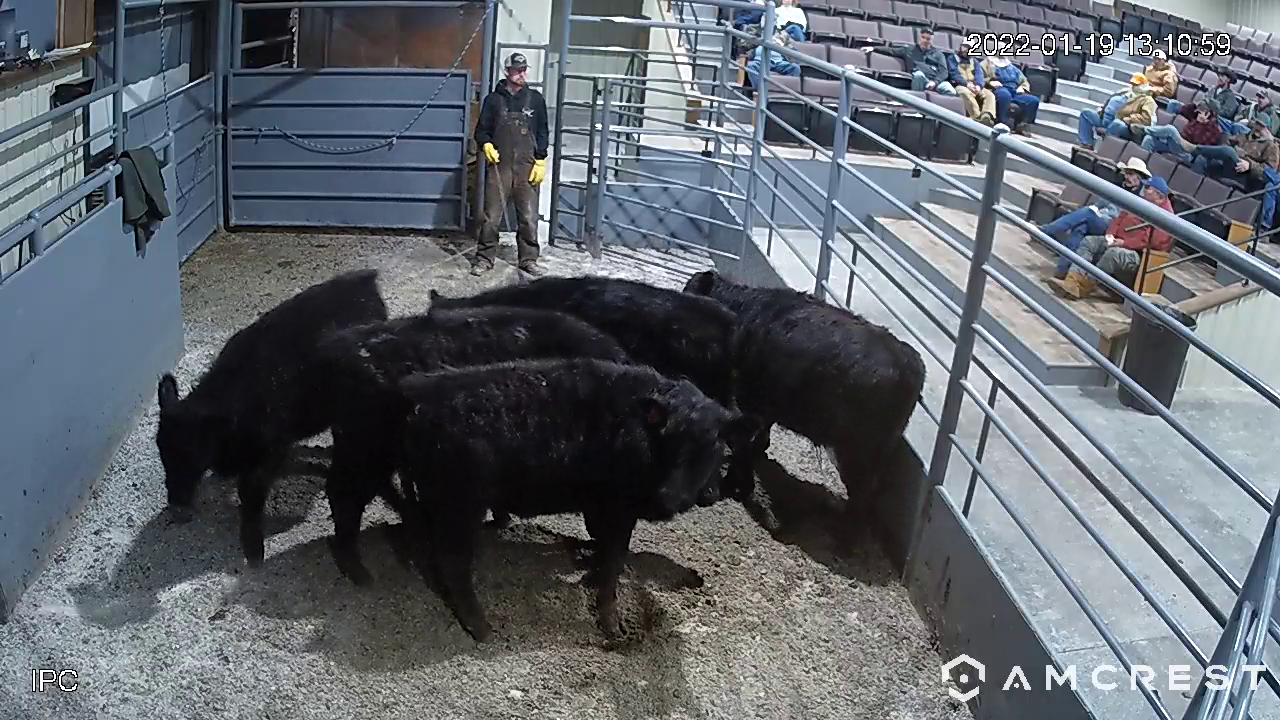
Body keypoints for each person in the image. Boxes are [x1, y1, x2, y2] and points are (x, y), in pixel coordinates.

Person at [473, 52, 550, 277]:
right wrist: (486, 145)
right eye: (518, 70)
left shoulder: (535, 99)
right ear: (507, 72)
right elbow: (481, 131)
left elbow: (543, 131)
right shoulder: (493, 100)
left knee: (528, 216)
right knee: (491, 216)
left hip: (527, 166)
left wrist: (541, 159)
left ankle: (528, 259)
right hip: (500, 166)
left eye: (524, 69)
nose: (522, 74)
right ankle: (484, 258)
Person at [1047, 177, 1175, 301]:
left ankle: (1082, 287)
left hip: (1139, 255)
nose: (1144, 189)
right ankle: (1072, 280)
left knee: (1113, 254)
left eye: (1148, 188)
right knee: (1089, 242)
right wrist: (1110, 235)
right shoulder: (1142, 202)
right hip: (1117, 241)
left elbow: (1150, 241)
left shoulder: (1166, 216)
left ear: (1159, 195)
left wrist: (1124, 243)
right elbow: (1119, 218)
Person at [1038, 157, 1151, 279]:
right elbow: (1098, 205)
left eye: (1131, 174)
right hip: (1100, 220)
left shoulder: (1142, 198)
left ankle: (1046, 231)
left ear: (1139, 177)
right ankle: (1062, 270)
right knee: (1081, 227)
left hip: (1114, 228)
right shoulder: (1116, 187)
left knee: (1087, 213)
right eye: (1126, 173)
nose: (1127, 177)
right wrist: (1097, 211)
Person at [1196, 114, 1280, 228]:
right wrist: (1236, 149)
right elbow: (1227, 139)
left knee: (1228, 151)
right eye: (1257, 124)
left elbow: (1270, 172)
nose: (1258, 128)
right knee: (1202, 160)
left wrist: (1249, 164)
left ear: (1267, 129)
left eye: (1262, 126)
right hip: (1231, 168)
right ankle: (1195, 196)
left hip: (1247, 176)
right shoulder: (1245, 136)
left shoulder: (1271, 146)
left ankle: (1195, 148)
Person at [1076, 73, 1156, 148]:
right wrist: (1102, 108)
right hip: (1106, 118)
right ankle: (1086, 144)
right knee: (1086, 113)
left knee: (1116, 124)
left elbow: (1146, 118)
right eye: (1133, 84)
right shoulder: (1125, 91)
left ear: (1143, 85)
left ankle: (1103, 149)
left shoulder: (1148, 100)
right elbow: (1110, 100)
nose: (1133, 86)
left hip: (1125, 126)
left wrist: (1127, 119)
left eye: (1136, 85)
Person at [1141, 101, 1221, 165]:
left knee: (1170, 129)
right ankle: (1140, 166)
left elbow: (1198, 145)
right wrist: (1195, 106)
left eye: (1203, 111)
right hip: (1177, 145)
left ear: (1209, 114)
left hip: (1188, 153)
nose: (1199, 113)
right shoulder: (1196, 117)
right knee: (1149, 139)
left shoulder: (1213, 129)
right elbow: (1183, 110)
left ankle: (1143, 129)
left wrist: (1204, 122)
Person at [879, 28, 953, 94]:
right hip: (920, 79)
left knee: (950, 90)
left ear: (932, 40)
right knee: (918, 75)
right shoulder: (909, 50)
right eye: (923, 37)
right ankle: (917, 104)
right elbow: (891, 50)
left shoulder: (938, 54)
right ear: (919, 38)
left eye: (928, 39)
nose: (925, 41)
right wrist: (874, 48)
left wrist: (935, 82)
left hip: (935, 81)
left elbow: (944, 71)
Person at [1166, 69, 1240, 132]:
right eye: (1219, 76)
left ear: (1228, 80)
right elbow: (1204, 100)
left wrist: (1211, 105)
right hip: (1200, 112)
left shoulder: (1230, 97)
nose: (1219, 78)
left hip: (1210, 120)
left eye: (1222, 76)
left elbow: (1226, 114)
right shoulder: (1213, 90)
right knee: (1173, 104)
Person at [982, 53, 1038, 134]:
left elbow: (1024, 81)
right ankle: (1001, 123)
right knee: (1005, 95)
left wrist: (1023, 87)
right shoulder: (986, 63)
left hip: (1015, 91)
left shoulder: (1012, 67)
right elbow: (980, 78)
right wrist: (990, 82)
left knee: (1033, 100)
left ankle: (1022, 125)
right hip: (999, 89)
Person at [950, 40, 996, 125]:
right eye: (965, 47)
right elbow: (954, 74)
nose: (966, 50)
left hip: (974, 85)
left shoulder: (974, 61)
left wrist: (978, 86)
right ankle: (976, 117)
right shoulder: (952, 59)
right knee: (965, 93)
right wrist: (967, 84)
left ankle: (986, 116)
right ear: (961, 46)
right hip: (960, 84)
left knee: (989, 94)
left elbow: (979, 75)